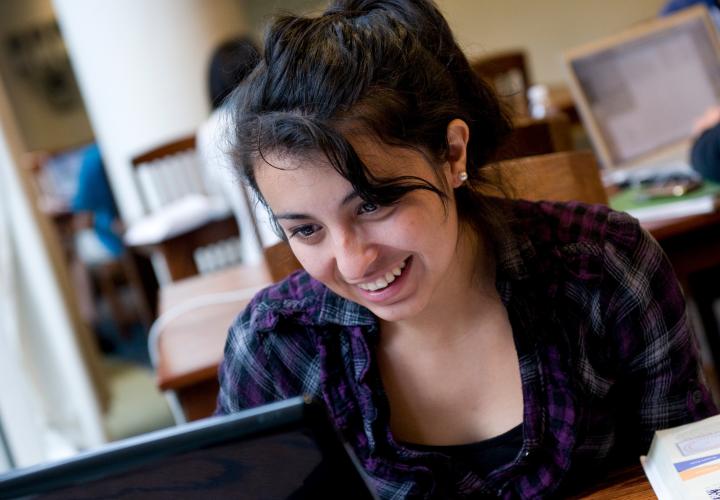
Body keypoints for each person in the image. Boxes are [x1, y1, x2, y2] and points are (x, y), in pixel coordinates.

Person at [215, 1, 717, 497]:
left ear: (452, 153)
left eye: (373, 204)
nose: (351, 261)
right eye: (306, 230)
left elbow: (697, 478)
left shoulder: (604, 270)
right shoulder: (276, 350)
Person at [196, 36, 280, 265]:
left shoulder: (208, 131)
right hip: (287, 236)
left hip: (255, 250)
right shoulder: (273, 109)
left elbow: (220, 199)